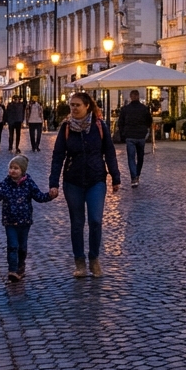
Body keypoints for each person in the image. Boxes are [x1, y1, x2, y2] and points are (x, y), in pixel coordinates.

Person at [49, 93, 121, 277]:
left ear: (87, 106)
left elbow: (109, 152)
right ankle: (79, 262)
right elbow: (58, 156)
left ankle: (94, 258)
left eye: (77, 105)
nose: (73, 108)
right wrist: (54, 182)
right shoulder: (66, 127)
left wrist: (115, 176)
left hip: (96, 179)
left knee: (96, 221)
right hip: (73, 181)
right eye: (71, 105)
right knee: (77, 223)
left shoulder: (99, 126)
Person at [0, 155, 56, 282]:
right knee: (12, 245)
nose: (12, 170)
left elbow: (39, 196)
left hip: (25, 221)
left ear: (22, 170)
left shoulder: (29, 183)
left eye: (16, 168)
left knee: (22, 247)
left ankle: (21, 267)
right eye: (11, 168)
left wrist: (50, 196)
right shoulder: (5, 184)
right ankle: (12, 270)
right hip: (10, 221)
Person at [117, 90, 153, 186]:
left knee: (131, 157)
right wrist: (146, 129)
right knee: (140, 157)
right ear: (138, 96)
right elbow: (149, 121)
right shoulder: (144, 109)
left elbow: (120, 122)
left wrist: (123, 134)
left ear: (130, 97)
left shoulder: (125, 109)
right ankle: (137, 175)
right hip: (141, 135)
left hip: (130, 136)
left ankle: (134, 177)